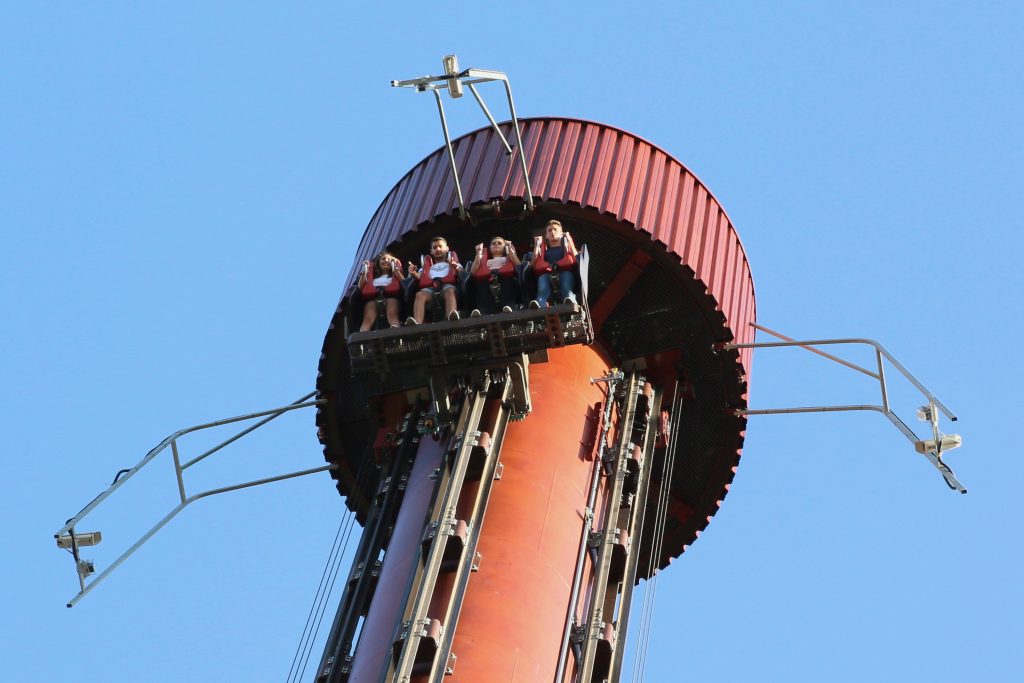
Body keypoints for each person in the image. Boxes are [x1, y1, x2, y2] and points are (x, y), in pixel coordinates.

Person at [406, 236, 462, 324]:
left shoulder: (452, 263)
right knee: (419, 295)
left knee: (449, 291)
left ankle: (451, 318)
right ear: (431, 251)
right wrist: (413, 272)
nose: (438, 249)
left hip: (447, 287)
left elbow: (462, 272)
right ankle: (417, 323)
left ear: (447, 249)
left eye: (440, 246)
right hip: (430, 289)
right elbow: (419, 276)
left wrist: (456, 267)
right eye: (435, 248)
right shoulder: (427, 266)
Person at [468, 236, 522, 315]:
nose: (496, 244)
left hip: (505, 281)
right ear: (490, 248)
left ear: (504, 248)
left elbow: (519, 266)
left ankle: (509, 306)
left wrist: (510, 251)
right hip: (488, 281)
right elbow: (472, 272)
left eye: (499, 243)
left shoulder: (508, 258)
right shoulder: (486, 261)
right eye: (493, 243)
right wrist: (478, 255)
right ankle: (483, 310)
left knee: (509, 281)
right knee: (480, 284)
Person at [531, 219, 579, 307]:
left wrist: (569, 240)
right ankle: (540, 305)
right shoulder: (544, 252)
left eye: (555, 229)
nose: (553, 232)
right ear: (546, 235)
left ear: (561, 233)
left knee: (566, 287)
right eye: (549, 230)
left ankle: (570, 301)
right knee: (542, 287)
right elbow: (533, 265)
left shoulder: (566, 248)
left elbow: (576, 259)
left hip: (564, 272)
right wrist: (537, 245)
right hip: (547, 274)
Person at [357, 252, 405, 331]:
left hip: (391, 297)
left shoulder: (394, 277)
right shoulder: (373, 279)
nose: (386, 261)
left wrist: (396, 270)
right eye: (383, 259)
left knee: (392, 314)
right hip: (373, 298)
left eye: (389, 259)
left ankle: (395, 330)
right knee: (368, 318)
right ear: (378, 263)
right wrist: (365, 273)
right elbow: (359, 287)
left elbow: (404, 282)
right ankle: (363, 335)